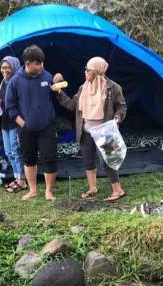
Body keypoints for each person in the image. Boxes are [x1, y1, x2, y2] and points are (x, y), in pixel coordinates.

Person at [53, 57, 128, 201]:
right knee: (88, 161)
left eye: (88, 70)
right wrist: (59, 92)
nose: (85, 72)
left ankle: (118, 190)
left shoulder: (113, 88)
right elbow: (72, 105)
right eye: (86, 69)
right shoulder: (83, 88)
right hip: (86, 131)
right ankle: (92, 187)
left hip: (104, 131)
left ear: (97, 71)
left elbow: (121, 106)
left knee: (107, 161)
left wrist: (117, 118)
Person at [5, 44, 58, 202]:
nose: (41, 66)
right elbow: (10, 106)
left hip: (47, 126)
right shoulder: (15, 81)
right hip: (26, 129)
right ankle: (33, 190)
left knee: (50, 158)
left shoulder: (47, 76)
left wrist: (58, 83)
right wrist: (22, 123)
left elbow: (55, 96)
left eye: (42, 62)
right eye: (38, 63)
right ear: (27, 63)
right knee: (29, 159)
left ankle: (48, 191)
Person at [0, 56, 27, 193]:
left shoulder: (17, 82)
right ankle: (16, 177)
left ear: (14, 67)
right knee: (8, 152)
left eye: (7, 67)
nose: (4, 70)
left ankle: (22, 180)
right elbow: (4, 101)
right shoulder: (3, 83)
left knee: (15, 151)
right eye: (2, 68)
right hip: (5, 122)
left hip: (15, 121)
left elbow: (20, 102)